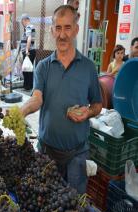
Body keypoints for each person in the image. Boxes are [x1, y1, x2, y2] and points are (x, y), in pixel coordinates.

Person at [20, 5, 102, 194]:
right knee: (46, 201)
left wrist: (87, 112)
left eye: (67, 28)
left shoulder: (88, 67)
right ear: (51, 30)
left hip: (77, 154)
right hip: (47, 152)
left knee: (73, 208)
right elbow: (36, 99)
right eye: (58, 28)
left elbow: (98, 105)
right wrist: (21, 111)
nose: (62, 35)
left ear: (76, 30)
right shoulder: (42, 67)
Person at [20, 13, 36, 90]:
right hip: (30, 51)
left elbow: (29, 38)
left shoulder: (29, 27)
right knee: (28, 69)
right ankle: (28, 86)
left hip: (29, 51)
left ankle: (28, 86)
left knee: (26, 69)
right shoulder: (30, 27)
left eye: (22, 21)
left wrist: (26, 50)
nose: (22, 23)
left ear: (25, 20)